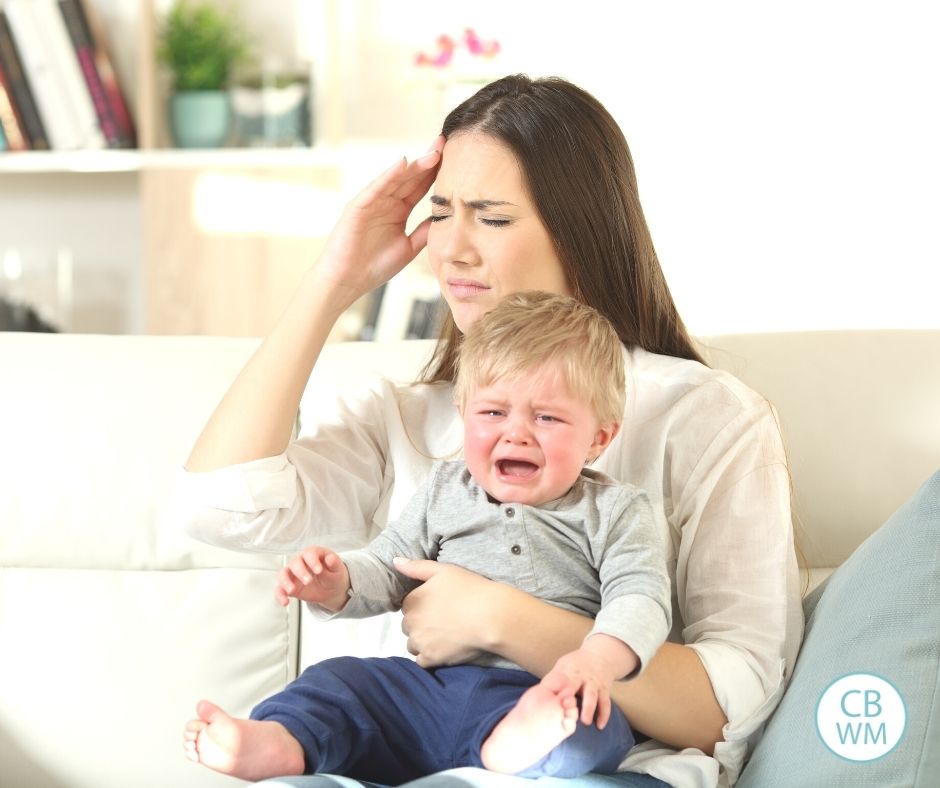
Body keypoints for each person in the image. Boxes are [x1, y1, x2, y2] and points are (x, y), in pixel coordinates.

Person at [178, 74, 802, 788]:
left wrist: (501, 618)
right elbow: (218, 507)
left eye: (492, 218)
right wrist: (332, 280)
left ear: (580, 231)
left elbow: (733, 705)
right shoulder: (403, 417)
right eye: (441, 213)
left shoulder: (704, 415)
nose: (452, 251)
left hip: (592, 768)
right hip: (400, 754)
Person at [183, 291, 671, 783]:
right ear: (464, 413)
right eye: (493, 413)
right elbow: (391, 566)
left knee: (595, 727)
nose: (516, 433)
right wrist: (337, 582)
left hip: (536, 689)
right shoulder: (444, 490)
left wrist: (595, 661)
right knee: (340, 682)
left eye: (546, 417)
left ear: (599, 437)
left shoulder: (615, 510)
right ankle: (280, 741)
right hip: (425, 691)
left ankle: (515, 747)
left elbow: (640, 598)